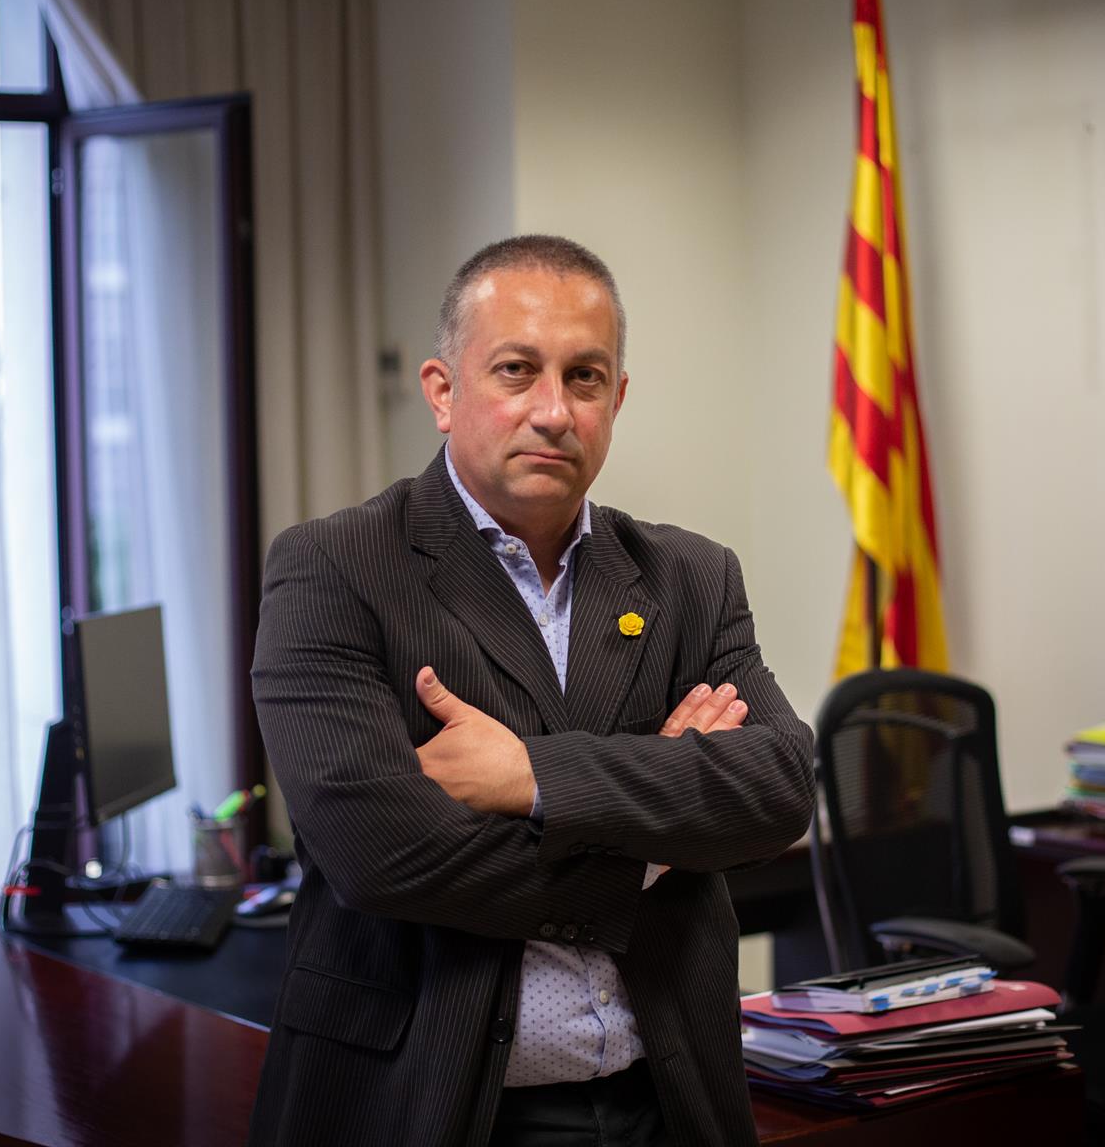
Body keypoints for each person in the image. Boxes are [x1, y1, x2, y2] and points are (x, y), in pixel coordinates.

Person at [248, 235, 814, 1146]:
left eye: (585, 378)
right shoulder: (335, 569)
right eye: (516, 371)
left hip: (667, 1102)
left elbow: (779, 786)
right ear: (443, 391)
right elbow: (383, 855)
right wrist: (657, 843)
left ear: (615, 400)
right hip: (431, 1109)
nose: (553, 411)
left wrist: (531, 779)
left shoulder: (690, 577)